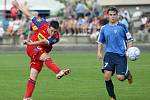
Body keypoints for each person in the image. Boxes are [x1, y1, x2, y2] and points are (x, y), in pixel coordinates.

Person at [13, 1, 71, 100]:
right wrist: (18, 6)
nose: (52, 33)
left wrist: (31, 43)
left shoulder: (56, 37)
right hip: (32, 48)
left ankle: (27, 97)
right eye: (51, 30)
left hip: (36, 48)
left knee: (33, 77)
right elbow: (29, 15)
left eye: (55, 31)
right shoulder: (42, 23)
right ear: (48, 26)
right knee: (46, 57)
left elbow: (44, 42)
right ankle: (58, 72)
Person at [97, 7, 133, 100]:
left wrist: (128, 51)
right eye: (111, 15)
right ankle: (112, 97)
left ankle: (127, 74)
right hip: (109, 55)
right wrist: (99, 52)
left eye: (114, 15)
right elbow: (100, 41)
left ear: (117, 16)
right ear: (108, 16)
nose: (112, 17)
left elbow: (130, 40)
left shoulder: (122, 27)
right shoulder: (104, 28)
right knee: (106, 76)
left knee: (120, 78)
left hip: (121, 55)